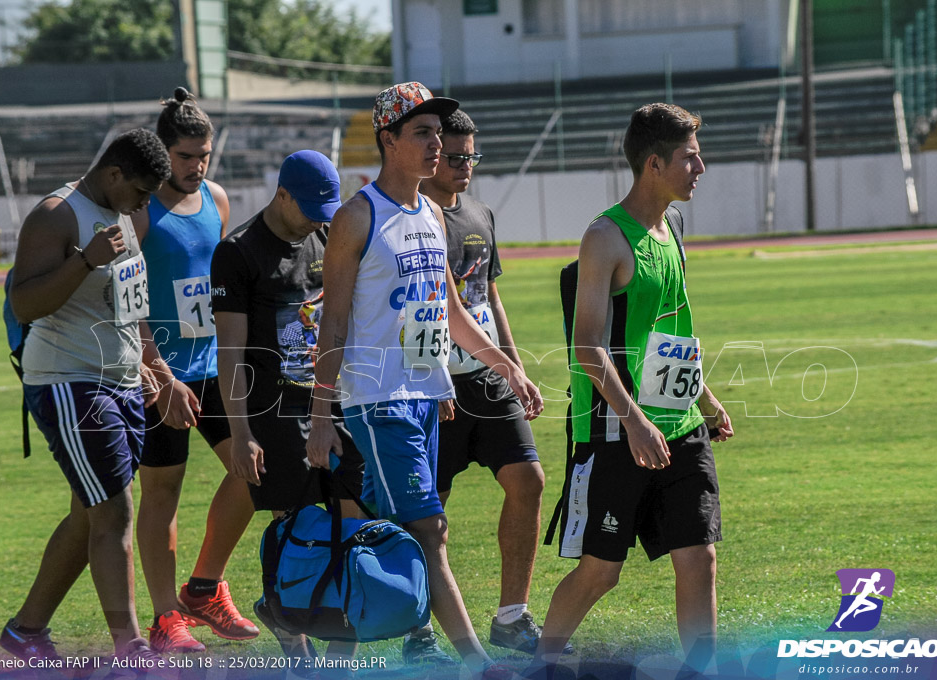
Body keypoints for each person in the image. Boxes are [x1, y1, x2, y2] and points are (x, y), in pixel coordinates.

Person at [306, 82, 544, 680]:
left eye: (440, 134)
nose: (437, 145)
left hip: (422, 398)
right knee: (429, 529)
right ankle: (480, 663)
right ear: (388, 139)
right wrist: (320, 416)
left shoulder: (433, 212)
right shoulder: (357, 215)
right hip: (377, 400)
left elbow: (450, 313)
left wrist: (504, 365)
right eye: (423, 133)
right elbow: (332, 321)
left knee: (382, 526)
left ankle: (319, 632)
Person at [528, 103, 735, 679]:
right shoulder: (604, 238)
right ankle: (543, 665)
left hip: (679, 425)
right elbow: (587, 347)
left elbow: (670, 330)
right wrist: (635, 421)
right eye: (690, 157)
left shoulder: (673, 227)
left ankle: (701, 672)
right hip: (615, 429)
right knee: (601, 570)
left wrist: (703, 398)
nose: (701, 166)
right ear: (653, 164)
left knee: (700, 558)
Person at [0, 129, 171, 664]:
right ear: (114, 174)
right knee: (115, 511)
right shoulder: (56, 214)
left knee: (88, 516)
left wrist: (151, 367)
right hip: (68, 381)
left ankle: (26, 632)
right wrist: (84, 260)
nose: (146, 205)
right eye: (142, 192)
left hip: (119, 381)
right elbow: (25, 303)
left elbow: (130, 302)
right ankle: (131, 648)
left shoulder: (124, 215)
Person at [210, 150, 366, 676]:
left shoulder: (324, 238)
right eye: (311, 207)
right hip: (271, 411)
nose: (320, 218)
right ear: (281, 194)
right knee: (294, 525)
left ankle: (342, 650)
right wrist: (239, 434)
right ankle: (293, 638)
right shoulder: (238, 252)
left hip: (328, 398)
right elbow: (228, 351)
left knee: (356, 515)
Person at [408, 108, 552, 662]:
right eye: (456, 155)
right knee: (428, 515)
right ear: (433, 153)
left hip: (485, 379)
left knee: (529, 480)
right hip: (430, 383)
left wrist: (514, 368)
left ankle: (511, 616)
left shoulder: (480, 212)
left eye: (473, 156)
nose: (466, 165)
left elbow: (488, 297)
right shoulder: (414, 217)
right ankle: (417, 628)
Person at [132, 87, 258, 653]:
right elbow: (124, 300)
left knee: (256, 468)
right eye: (186, 156)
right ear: (162, 152)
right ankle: (165, 620)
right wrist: (157, 374)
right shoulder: (139, 209)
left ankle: (203, 586)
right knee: (163, 493)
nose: (196, 166)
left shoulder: (217, 200)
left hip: (212, 367)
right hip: (160, 375)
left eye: (204, 155)